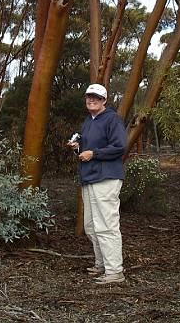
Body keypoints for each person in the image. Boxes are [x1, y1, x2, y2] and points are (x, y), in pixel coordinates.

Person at [68, 83, 127, 285]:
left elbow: (120, 146)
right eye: (88, 97)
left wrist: (94, 153)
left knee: (106, 225)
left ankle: (114, 271)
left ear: (104, 100)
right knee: (91, 226)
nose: (91, 100)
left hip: (107, 177)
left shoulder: (112, 119)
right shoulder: (88, 121)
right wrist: (79, 147)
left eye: (96, 97)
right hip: (89, 177)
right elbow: (88, 148)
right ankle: (102, 264)